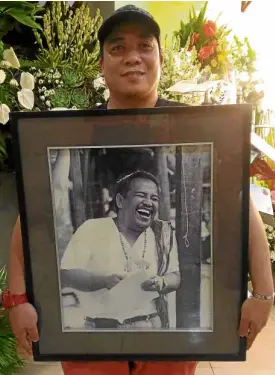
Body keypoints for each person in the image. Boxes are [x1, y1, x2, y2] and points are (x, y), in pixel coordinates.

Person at [7, 5, 274, 375]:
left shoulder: (199, 131)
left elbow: (241, 202)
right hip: (90, 344)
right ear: (101, 64)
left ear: (160, 58)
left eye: (144, 46)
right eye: (117, 48)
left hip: (165, 342)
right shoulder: (75, 132)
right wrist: (17, 299)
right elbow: (33, 216)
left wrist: (263, 293)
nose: (132, 57)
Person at [60, 170, 180, 330]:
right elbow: (66, 274)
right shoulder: (92, 229)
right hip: (101, 330)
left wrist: (161, 282)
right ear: (120, 200)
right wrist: (102, 281)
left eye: (154, 198)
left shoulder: (162, 234)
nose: (148, 202)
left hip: (148, 327)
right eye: (141, 195)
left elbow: (175, 276)